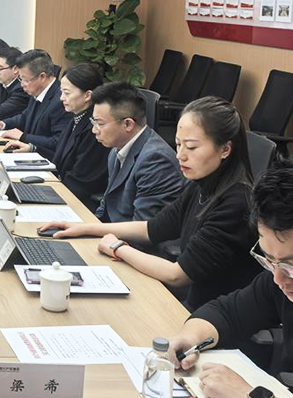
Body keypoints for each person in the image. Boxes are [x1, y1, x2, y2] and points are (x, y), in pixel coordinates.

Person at [41, 97, 261, 310]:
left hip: (208, 313)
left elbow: (177, 275)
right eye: (178, 144)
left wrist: (118, 248)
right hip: (194, 304)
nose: (180, 155)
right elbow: (152, 228)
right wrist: (85, 228)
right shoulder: (201, 185)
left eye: (191, 147)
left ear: (225, 149)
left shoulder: (236, 203)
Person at [168, 157, 293, 398]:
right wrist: (189, 339)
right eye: (268, 259)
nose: (279, 278)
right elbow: (226, 312)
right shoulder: (282, 281)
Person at [89, 82, 185, 222]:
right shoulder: (117, 149)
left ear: (128, 124)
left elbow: (143, 225)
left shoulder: (155, 160)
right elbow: (106, 205)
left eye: (100, 123)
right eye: (94, 122)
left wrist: (94, 231)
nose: (94, 130)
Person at [0, 49, 71, 160]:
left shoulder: (61, 101)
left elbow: (57, 142)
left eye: (25, 80)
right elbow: (25, 117)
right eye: (20, 79)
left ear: (42, 77)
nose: (22, 84)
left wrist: (24, 137)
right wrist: (3, 124)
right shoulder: (37, 90)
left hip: (46, 161)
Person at [50, 64, 109, 211]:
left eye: (67, 93)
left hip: (80, 203)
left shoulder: (94, 128)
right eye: (61, 92)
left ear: (87, 95)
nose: (61, 98)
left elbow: (82, 183)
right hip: (65, 192)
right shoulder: (77, 117)